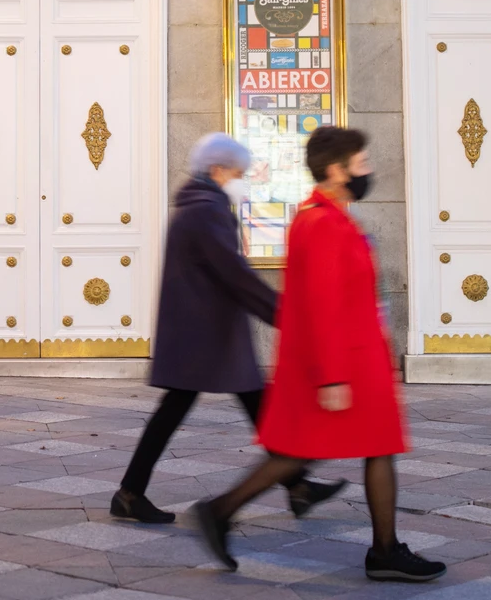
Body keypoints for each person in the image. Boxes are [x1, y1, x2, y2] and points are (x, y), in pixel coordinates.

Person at [191, 126, 446, 583]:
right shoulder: (321, 222)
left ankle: (383, 548)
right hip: (343, 364)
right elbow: (324, 303)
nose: (368, 170)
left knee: (340, 450)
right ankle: (222, 510)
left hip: (358, 359)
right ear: (336, 169)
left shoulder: (334, 216)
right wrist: (332, 377)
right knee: (308, 452)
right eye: (361, 163)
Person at [110, 133, 344, 525]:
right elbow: (234, 273)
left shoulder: (200, 205)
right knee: (208, 406)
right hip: (206, 333)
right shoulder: (206, 210)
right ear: (217, 170)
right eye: (238, 173)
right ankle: (131, 493)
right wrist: (285, 314)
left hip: (205, 330)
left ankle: (297, 484)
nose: (242, 180)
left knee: (247, 403)